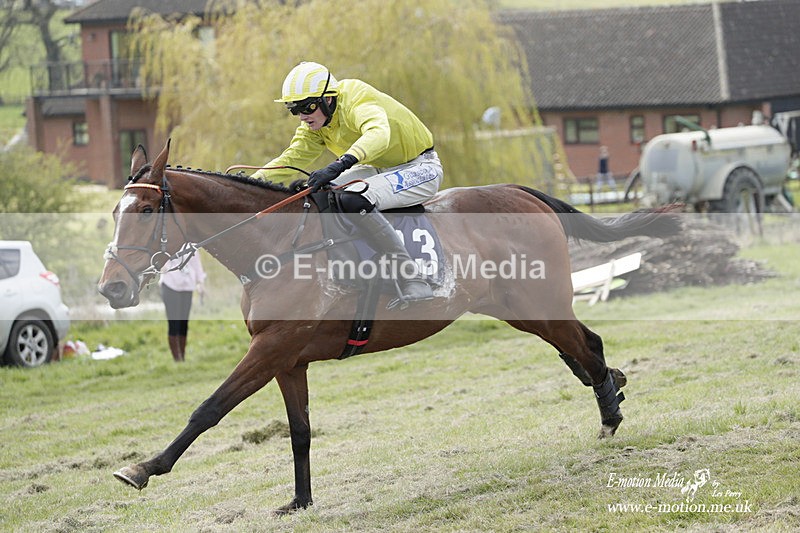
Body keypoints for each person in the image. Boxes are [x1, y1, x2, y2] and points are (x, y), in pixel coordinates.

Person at [252, 61, 443, 306]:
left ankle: (413, 278)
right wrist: (247, 182)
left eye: (307, 107)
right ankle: (348, 268)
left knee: (355, 198)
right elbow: (290, 159)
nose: (302, 116)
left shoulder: (356, 97)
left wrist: (339, 165)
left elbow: (378, 134)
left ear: (328, 100)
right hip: (379, 167)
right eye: (294, 110)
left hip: (420, 167)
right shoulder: (315, 125)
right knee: (316, 194)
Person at [159, 249, 205, 362]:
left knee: (184, 323)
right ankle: (177, 358)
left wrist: (201, 283)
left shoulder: (192, 245)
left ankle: (182, 356)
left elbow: (197, 264)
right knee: (174, 322)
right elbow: (160, 261)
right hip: (170, 284)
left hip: (188, 285)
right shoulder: (169, 243)